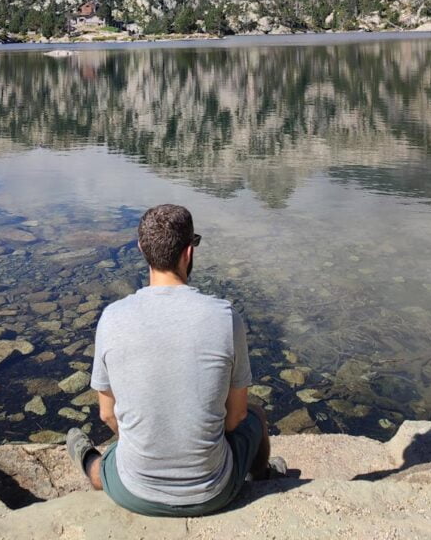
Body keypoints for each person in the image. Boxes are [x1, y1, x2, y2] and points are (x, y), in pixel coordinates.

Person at [66, 203, 286, 516]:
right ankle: (262, 478)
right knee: (257, 417)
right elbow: (236, 417)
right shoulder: (225, 317)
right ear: (188, 252)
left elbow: (107, 414)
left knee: (117, 459)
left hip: (133, 493)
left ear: (142, 250)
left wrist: (150, 445)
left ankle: (89, 461)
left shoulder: (111, 318)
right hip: (213, 493)